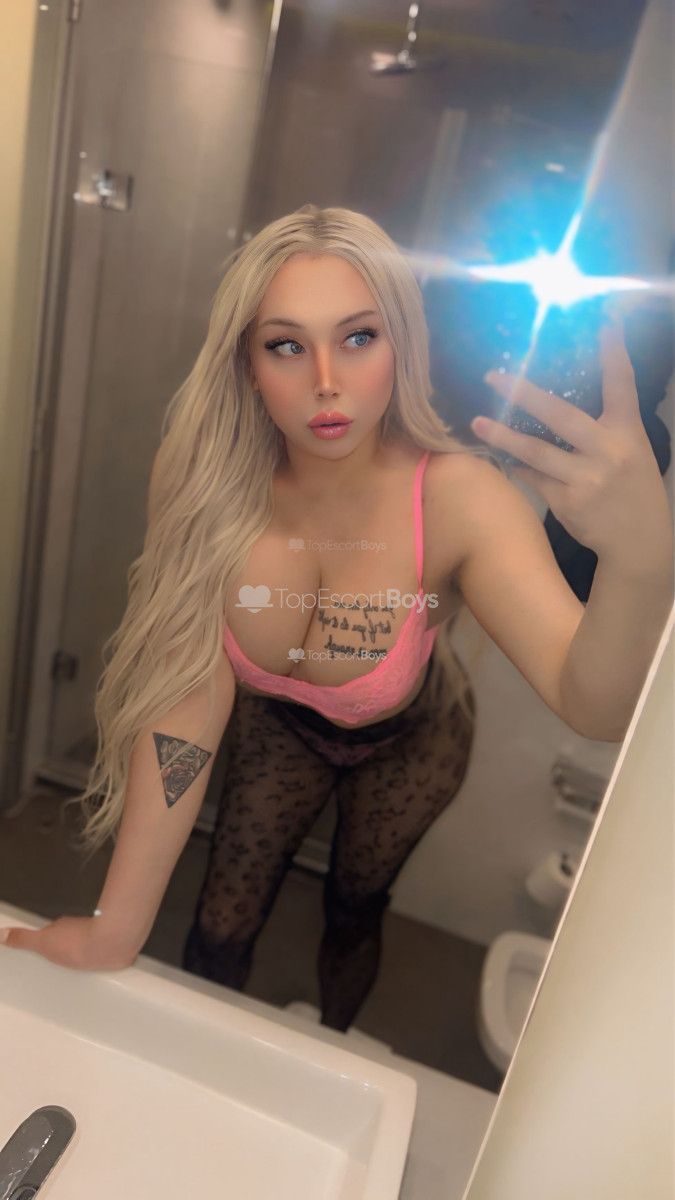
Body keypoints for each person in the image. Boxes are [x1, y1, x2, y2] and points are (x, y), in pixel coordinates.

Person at [1, 207, 672, 1030]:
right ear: (247, 364)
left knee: (353, 913)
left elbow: (594, 706)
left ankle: (336, 1038)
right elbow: (185, 704)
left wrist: (642, 563)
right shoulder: (205, 485)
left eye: (358, 337)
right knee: (221, 920)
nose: (326, 379)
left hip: (411, 743)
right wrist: (116, 929)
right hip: (282, 731)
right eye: (286, 344)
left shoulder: (460, 497)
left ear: (401, 345)